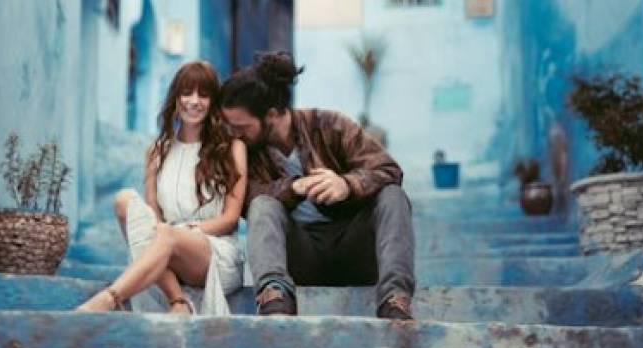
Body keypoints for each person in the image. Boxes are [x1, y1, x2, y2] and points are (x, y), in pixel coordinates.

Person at [219, 51, 415, 320]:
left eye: (241, 126)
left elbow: (389, 170)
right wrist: (293, 188)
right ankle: (275, 300)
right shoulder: (245, 151)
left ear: (272, 115)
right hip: (301, 256)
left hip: (353, 248)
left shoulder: (330, 125)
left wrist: (347, 185)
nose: (234, 133)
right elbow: (244, 199)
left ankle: (395, 301)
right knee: (262, 205)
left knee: (393, 196)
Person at [77, 60, 247, 314]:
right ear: (176, 99)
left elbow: (230, 219)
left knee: (165, 233)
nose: (194, 101)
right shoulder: (157, 151)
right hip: (164, 245)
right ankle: (177, 300)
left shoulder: (232, 148)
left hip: (215, 252)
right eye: (187, 93)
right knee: (124, 200)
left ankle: (109, 299)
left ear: (213, 102)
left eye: (203, 94)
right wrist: (168, 234)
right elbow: (153, 216)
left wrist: (183, 232)